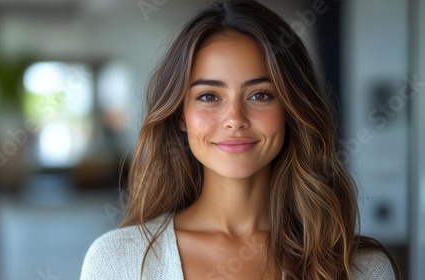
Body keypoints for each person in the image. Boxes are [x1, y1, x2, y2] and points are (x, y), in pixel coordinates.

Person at [80, 0, 401, 279]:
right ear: (180, 114)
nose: (234, 119)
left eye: (260, 95)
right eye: (209, 96)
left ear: (291, 109)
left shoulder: (359, 267)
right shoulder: (118, 261)